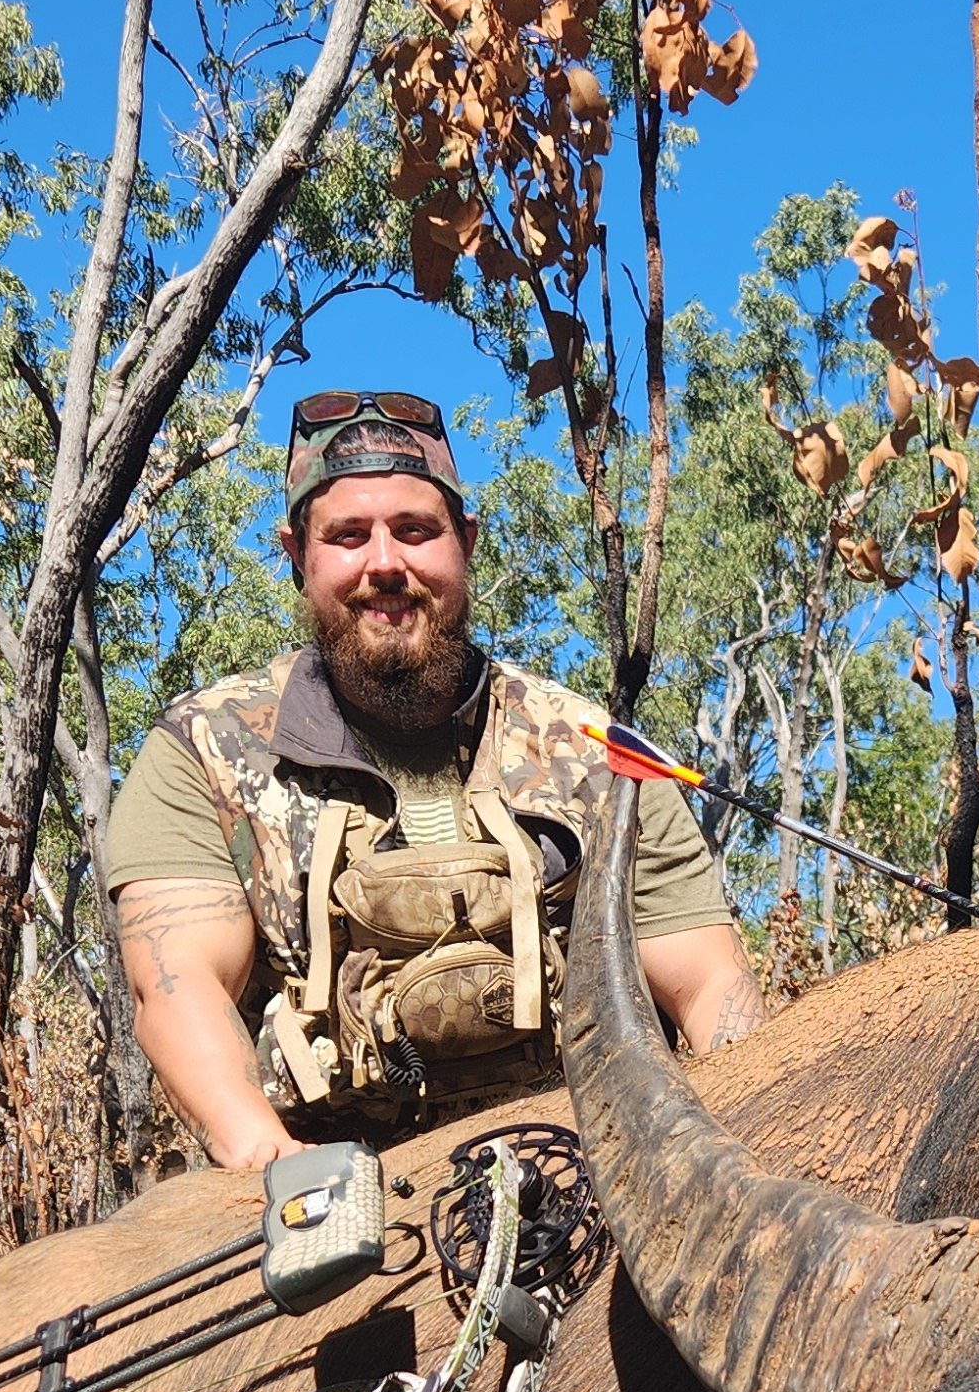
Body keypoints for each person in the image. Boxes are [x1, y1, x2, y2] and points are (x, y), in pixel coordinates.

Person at [102, 388, 763, 1166]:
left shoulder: (594, 753)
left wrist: (743, 1142)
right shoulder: (205, 750)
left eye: (416, 530)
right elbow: (178, 993)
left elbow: (710, 986)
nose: (385, 563)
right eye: (348, 536)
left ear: (466, 543)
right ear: (296, 557)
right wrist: (275, 1166)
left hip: (585, 1160)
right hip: (320, 1174)